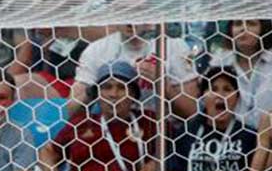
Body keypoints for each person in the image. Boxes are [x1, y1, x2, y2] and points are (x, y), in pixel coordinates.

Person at [40, 61, 158, 171]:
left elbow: (173, 151)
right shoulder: (81, 123)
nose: (113, 94)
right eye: (107, 87)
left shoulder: (149, 121)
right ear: (97, 93)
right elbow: (47, 151)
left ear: (133, 94)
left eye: (122, 88)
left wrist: (157, 163)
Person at [166, 66, 263, 171]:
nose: (220, 95)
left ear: (237, 97)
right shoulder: (187, 132)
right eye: (213, 89)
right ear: (203, 96)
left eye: (227, 90)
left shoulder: (248, 135)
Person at [69, 23, 199, 119]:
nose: (130, 21)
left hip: (165, 134)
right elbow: (71, 111)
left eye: (137, 10)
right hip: (111, 132)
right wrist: (93, 90)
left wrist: (163, 85)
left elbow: (192, 113)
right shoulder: (96, 50)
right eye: (124, 10)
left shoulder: (174, 47)